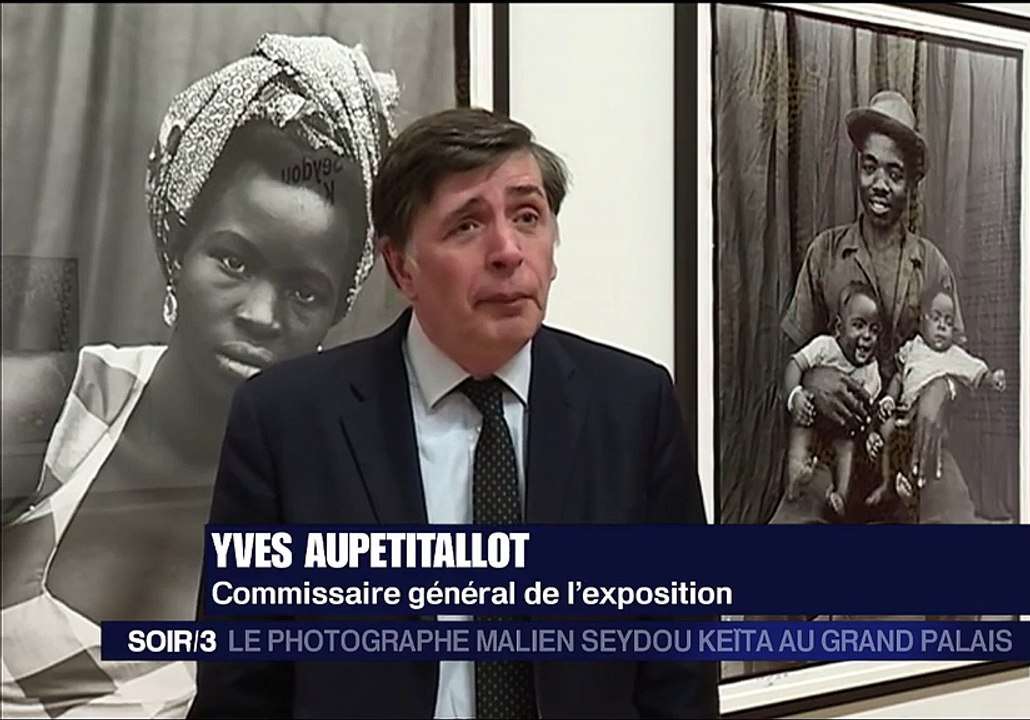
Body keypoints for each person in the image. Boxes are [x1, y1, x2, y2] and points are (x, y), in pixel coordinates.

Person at [186, 107, 719, 720]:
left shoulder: (633, 406)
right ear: (400, 267)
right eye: (467, 225)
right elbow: (241, 684)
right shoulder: (288, 421)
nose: (508, 251)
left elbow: (680, 664)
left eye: (527, 216)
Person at [0, 33, 398, 718]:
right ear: (179, 251)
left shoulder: (329, 510)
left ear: (337, 311)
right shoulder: (52, 408)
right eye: (234, 262)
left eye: (305, 292)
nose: (261, 315)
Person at [778, 89, 976, 524]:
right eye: (869, 168)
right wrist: (812, 380)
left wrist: (943, 389)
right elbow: (791, 361)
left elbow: (962, 366)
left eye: (894, 173)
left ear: (912, 181)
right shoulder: (825, 253)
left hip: (911, 454)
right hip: (831, 453)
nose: (880, 184)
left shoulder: (932, 265)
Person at [872, 284, 1007, 511]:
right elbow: (899, 377)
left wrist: (992, 378)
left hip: (933, 420)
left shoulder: (955, 355)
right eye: (936, 318)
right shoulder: (913, 348)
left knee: (926, 448)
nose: (942, 326)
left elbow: (976, 371)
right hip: (905, 412)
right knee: (887, 429)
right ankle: (887, 482)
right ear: (922, 321)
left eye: (948, 321)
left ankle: (911, 489)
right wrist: (889, 399)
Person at [782, 281, 884, 517]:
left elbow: (868, 409)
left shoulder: (871, 370)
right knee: (800, 432)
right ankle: (797, 476)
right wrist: (795, 395)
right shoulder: (824, 347)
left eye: (874, 330)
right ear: (839, 327)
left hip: (842, 430)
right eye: (858, 326)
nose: (867, 336)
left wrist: (871, 434)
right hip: (813, 417)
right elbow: (795, 364)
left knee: (847, 449)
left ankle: (840, 496)